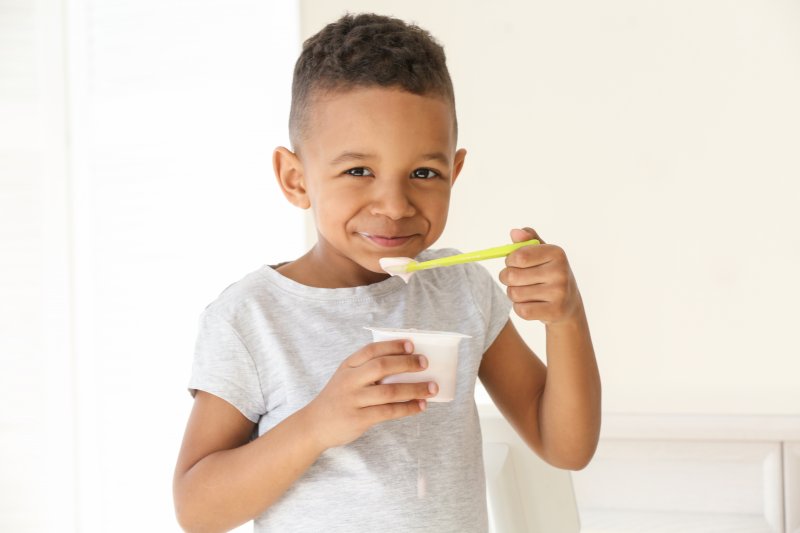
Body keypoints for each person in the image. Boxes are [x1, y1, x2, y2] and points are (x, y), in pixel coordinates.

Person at [173, 12, 600, 533]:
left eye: (424, 173)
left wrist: (566, 319)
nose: (395, 205)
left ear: (454, 172)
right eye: (358, 171)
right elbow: (196, 510)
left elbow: (566, 446)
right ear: (295, 178)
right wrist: (316, 424)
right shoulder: (252, 319)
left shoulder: (461, 289)